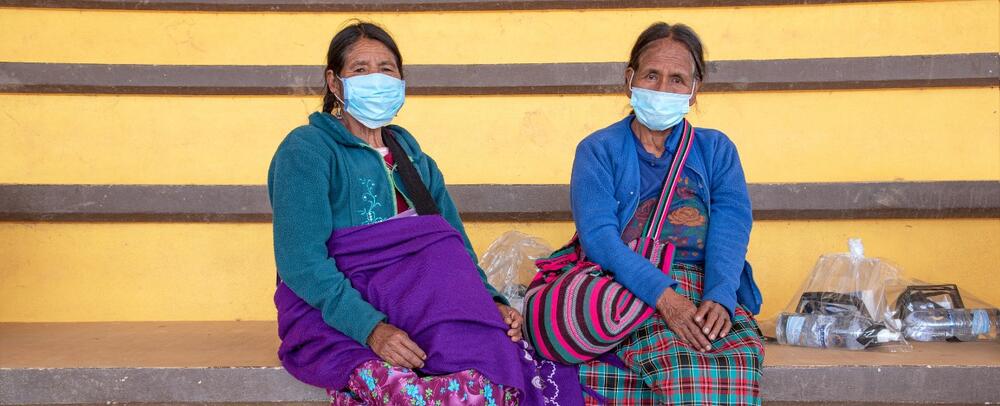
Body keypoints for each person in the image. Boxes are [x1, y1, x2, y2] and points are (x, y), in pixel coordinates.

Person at [267, 21, 581, 406]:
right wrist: (371, 329)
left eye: (386, 69)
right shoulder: (307, 150)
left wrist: (493, 302)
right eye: (360, 70)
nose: (376, 79)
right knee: (415, 395)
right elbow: (301, 261)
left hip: (419, 308)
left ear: (401, 80)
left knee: (496, 377)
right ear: (335, 83)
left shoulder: (414, 159)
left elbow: (454, 245)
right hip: (337, 316)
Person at [568, 22, 764, 404]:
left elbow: (732, 226)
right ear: (630, 80)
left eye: (677, 79)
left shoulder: (717, 150)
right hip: (630, 284)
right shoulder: (598, 150)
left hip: (705, 284)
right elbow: (600, 241)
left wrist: (721, 297)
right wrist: (666, 299)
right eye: (651, 75)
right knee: (681, 364)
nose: (662, 89)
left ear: (694, 91)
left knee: (735, 357)